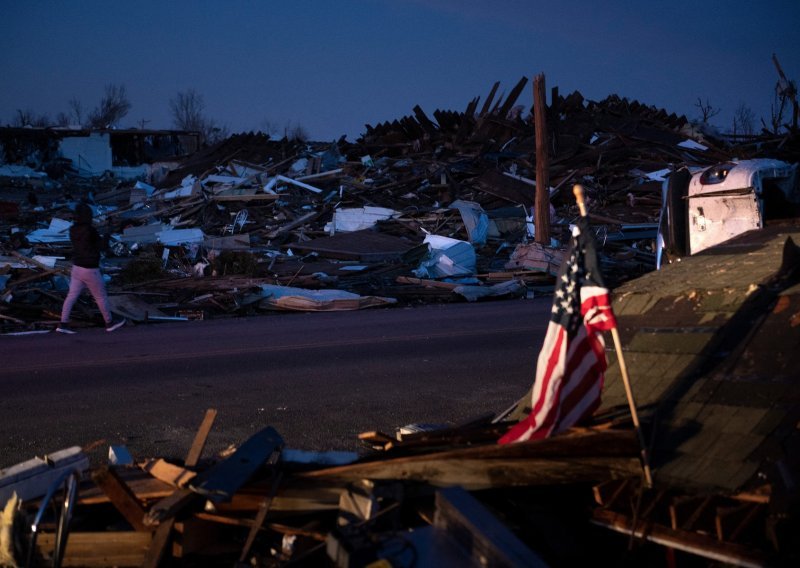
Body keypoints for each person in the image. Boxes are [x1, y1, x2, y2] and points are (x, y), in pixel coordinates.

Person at [56, 202, 126, 334]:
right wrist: (107, 234)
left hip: (76, 268)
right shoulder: (90, 230)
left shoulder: (72, 230)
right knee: (100, 297)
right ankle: (109, 323)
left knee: (71, 296)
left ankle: (63, 323)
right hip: (90, 269)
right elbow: (102, 247)